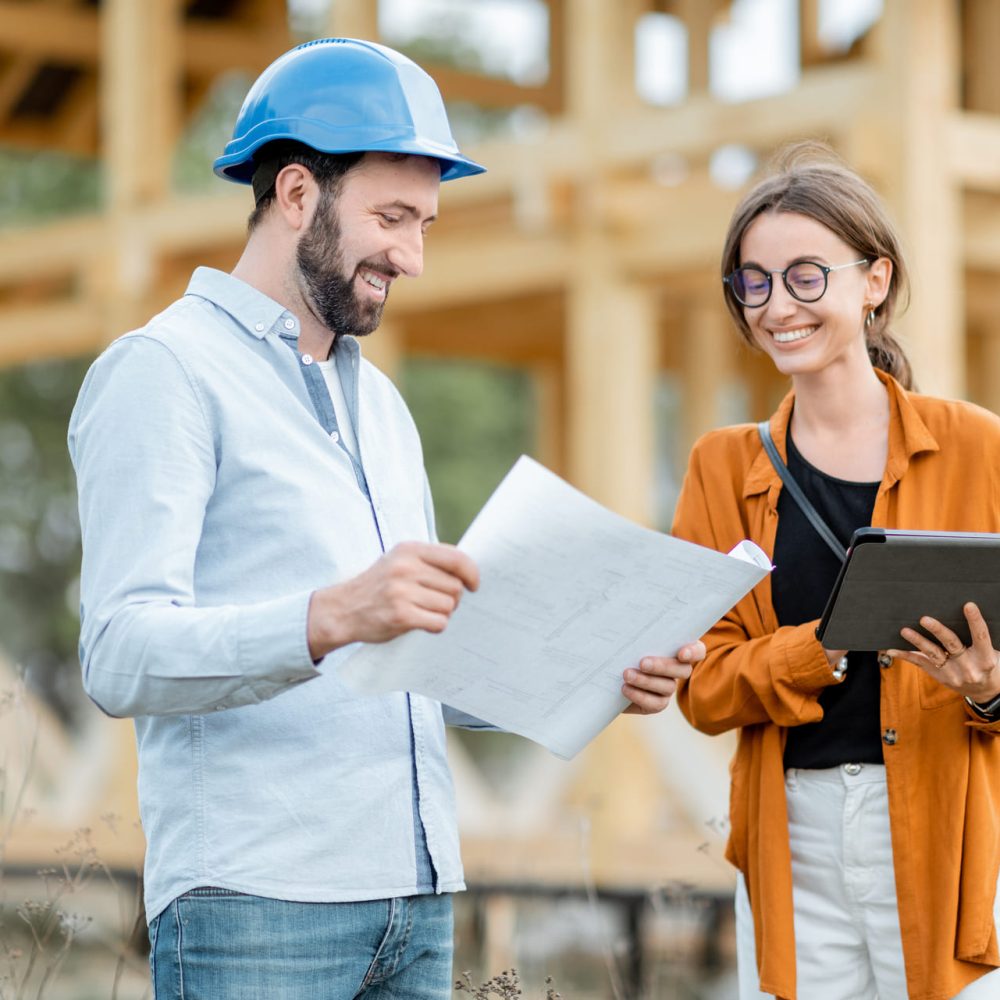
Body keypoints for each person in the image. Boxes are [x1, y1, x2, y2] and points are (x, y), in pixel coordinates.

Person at [68, 38, 702, 1000]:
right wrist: (331, 615)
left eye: (425, 224)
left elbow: (407, 670)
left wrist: (595, 672)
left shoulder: (383, 407)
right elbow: (118, 655)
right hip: (258, 903)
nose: (412, 255)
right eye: (392, 217)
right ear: (295, 193)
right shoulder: (164, 372)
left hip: (418, 899)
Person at [672, 142, 1000, 1000]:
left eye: (806, 277)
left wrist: (988, 691)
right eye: (755, 283)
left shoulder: (979, 447)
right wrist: (815, 651)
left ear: (874, 281)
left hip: (951, 830)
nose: (778, 306)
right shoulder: (721, 467)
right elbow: (701, 689)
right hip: (792, 839)